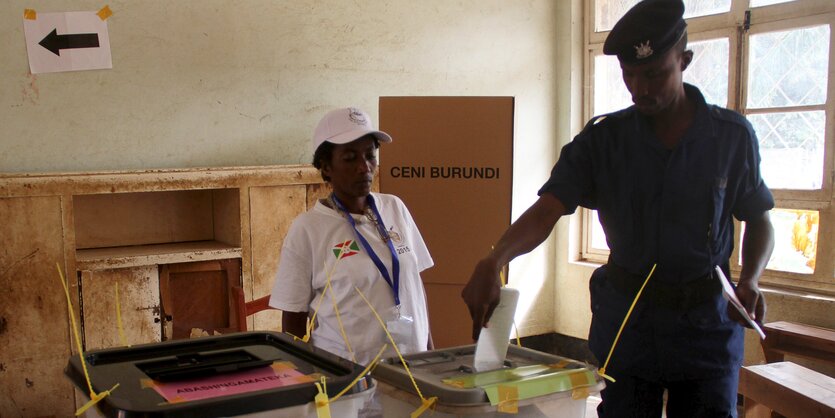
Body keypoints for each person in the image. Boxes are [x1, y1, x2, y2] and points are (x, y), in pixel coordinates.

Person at [461, 0, 775, 416]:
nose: (640, 88)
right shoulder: (603, 142)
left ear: (684, 60)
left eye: (654, 74)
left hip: (706, 327)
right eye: (629, 75)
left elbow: (758, 217)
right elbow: (548, 209)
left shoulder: (730, 138)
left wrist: (750, 278)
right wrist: (495, 258)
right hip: (630, 324)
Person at [269, 107, 434, 366]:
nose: (364, 167)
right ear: (326, 167)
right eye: (349, 158)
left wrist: (431, 359)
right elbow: (293, 320)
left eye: (370, 155)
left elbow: (415, 291)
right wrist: (301, 381)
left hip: (413, 372)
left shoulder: (394, 208)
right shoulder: (308, 229)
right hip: (350, 380)